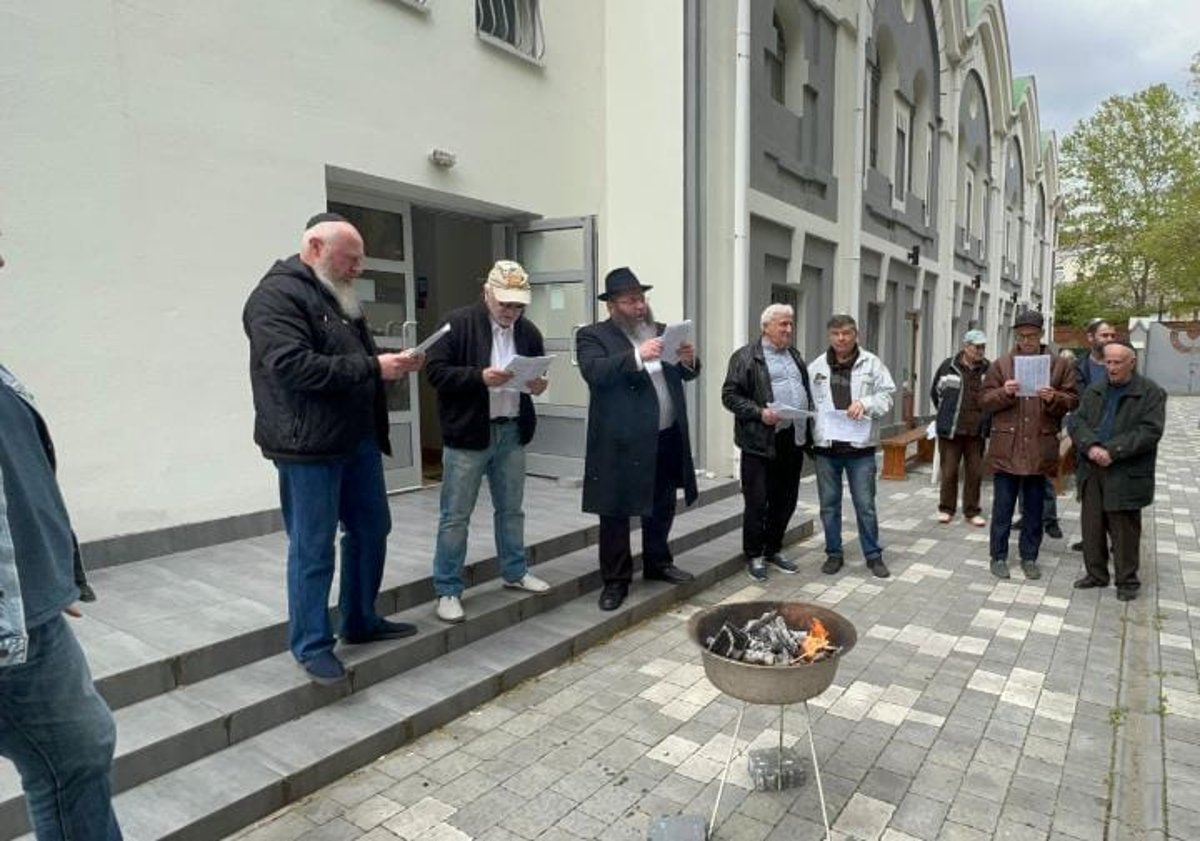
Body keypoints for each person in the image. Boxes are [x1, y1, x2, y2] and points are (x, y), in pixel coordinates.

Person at [243, 213, 425, 685]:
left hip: (356, 438)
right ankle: (311, 644)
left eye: (359, 260)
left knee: (372, 529)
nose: (358, 269)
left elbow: (347, 357)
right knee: (313, 546)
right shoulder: (274, 297)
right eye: (351, 259)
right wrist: (372, 367)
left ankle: (360, 619)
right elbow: (291, 367)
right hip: (308, 446)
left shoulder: (336, 293)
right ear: (315, 247)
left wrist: (389, 365)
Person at [0, 231, 123, 839]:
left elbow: (18, 471)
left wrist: (48, 573)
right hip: (12, 624)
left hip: (29, 606)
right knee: (73, 755)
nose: (2, 260)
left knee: (78, 751)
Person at [425, 261, 552, 623]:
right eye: (505, 304)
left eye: (518, 305)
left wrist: (538, 385)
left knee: (512, 509)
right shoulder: (459, 323)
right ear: (487, 293)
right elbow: (435, 372)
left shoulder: (527, 331)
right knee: (456, 515)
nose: (511, 312)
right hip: (468, 433)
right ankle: (447, 588)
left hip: (511, 429)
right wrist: (479, 377)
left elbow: (535, 373)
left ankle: (514, 571)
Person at [577, 267, 700, 611]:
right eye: (630, 300)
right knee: (615, 513)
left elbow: (683, 375)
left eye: (641, 298)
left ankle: (657, 562)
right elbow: (594, 373)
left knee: (661, 504)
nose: (639, 306)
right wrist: (636, 356)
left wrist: (689, 360)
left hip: (664, 435)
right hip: (620, 442)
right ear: (611, 306)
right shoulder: (592, 336)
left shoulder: (662, 332)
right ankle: (616, 581)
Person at [980, 310, 1077, 580]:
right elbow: (984, 400)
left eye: (1032, 336)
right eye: (1021, 336)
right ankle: (998, 556)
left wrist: (1053, 397)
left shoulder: (1059, 365)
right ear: (1015, 335)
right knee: (1002, 508)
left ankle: (1029, 556)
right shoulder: (1001, 364)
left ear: (1041, 335)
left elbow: (1072, 401)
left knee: (1034, 510)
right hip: (1007, 447)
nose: (1026, 341)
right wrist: (1004, 392)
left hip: (1039, 447)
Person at [721, 303, 814, 582]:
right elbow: (730, 396)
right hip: (759, 442)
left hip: (790, 439)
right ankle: (754, 554)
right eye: (783, 324)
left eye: (790, 324)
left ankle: (773, 548)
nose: (788, 329)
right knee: (758, 502)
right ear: (766, 327)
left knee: (785, 501)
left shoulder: (795, 355)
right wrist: (760, 413)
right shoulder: (746, 357)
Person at [1070, 341, 1165, 601]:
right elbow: (1077, 421)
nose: (1110, 368)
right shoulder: (1095, 389)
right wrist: (1090, 447)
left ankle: (1127, 582)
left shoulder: (1150, 392)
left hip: (1125, 469)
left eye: (1117, 362)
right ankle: (1096, 574)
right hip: (1093, 467)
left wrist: (1112, 451)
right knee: (1092, 525)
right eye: (1107, 362)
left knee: (1124, 528)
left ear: (1131, 363)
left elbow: (1149, 431)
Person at [808, 314, 896, 578]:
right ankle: (834, 553)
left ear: (855, 334)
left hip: (860, 450)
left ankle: (873, 555)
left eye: (846, 333)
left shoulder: (872, 364)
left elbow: (887, 395)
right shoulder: (816, 367)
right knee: (829, 505)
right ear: (829, 336)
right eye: (835, 334)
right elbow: (809, 403)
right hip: (827, 448)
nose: (841, 339)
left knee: (865, 504)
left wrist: (866, 403)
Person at [1066, 318, 1118, 550]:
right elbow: (1075, 403)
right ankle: (1092, 539)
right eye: (1104, 335)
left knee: (1116, 493)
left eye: (1111, 335)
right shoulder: (1079, 368)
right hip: (1087, 440)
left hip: (1116, 439)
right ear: (1090, 338)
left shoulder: (1120, 363)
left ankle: (1118, 540)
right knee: (1089, 493)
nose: (1109, 339)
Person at [931, 329, 990, 526]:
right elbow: (936, 393)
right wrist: (945, 416)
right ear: (966, 347)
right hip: (951, 430)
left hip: (976, 431)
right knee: (949, 471)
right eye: (977, 347)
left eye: (983, 347)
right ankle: (946, 508)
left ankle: (972, 511)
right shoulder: (948, 366)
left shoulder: (988, 369)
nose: (980, 351)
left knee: (975, 472)